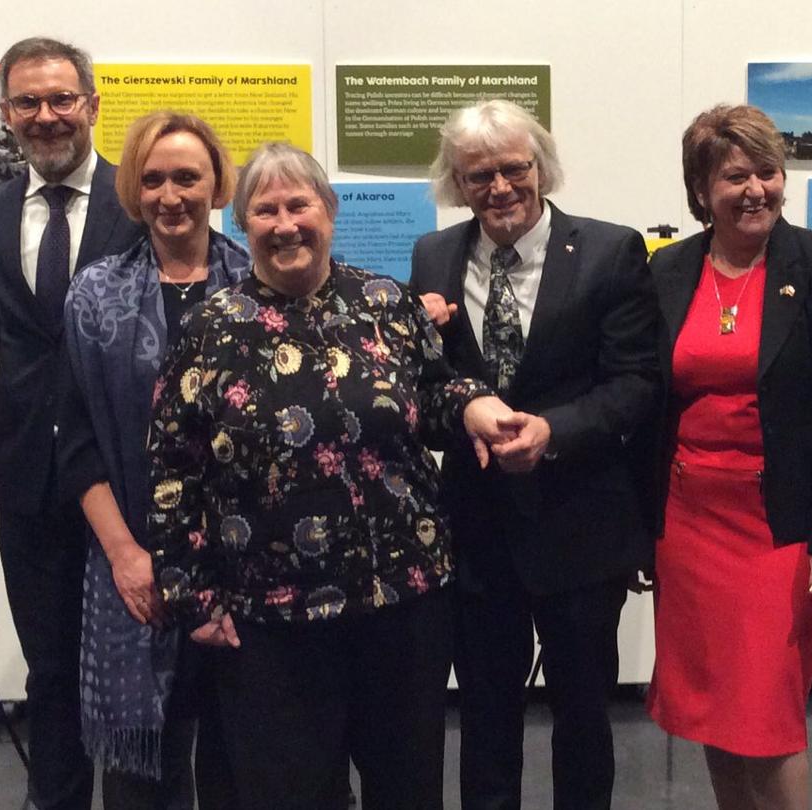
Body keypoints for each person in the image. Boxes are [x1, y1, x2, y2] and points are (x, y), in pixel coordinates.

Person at [147, 142, 526, 810]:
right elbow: (172, 469)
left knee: (407, 792)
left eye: (299, 205)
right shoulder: (209, 329)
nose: (285, 224)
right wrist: (192, 597)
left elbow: (433, 392)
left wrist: (473, 403)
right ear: (243, 223)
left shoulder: (387, 303)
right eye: (266, 210)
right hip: (271, 621)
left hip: (403, 606)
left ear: (328, 209)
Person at [409, 99, 660, 810]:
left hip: (580, 525)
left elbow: (638, 383)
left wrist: (554, 432)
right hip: (478, 531)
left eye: (513, 169)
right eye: (477, 175)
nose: (499, 188)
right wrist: (461, 406)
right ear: (457, 183)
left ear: (541, 168)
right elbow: (425, 386)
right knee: (485, 717)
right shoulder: (434, 255)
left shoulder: (610, 250)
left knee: (583, 717)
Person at [645, 103, 812, 810]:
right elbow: (650, 404)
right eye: (735, 176)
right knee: (712, 705)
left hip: (779, 527)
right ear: (701, 189)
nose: (756, 189)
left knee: (767, 711)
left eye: (768, 172)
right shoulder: (669, 269)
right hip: (688, 524)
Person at [0, 36, 143, 810]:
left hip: (126, 472)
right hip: (28, 474)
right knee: (51, 667)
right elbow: (7, 337)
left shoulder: (140, 201)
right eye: (28, 102)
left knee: (136, 657)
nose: (46, 115)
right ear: (7, 114)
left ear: (92, 105)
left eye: (62, 98)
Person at [59, 111, 249, 807]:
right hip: (133, 560)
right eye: (154, 179)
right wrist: (124, 555)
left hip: (245, 570)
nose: (171, 196)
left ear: (217, 184)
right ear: (134, 191)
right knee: (141, 779)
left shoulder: (260, 283)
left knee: (240, 762)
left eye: (187, 178)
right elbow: (77, 439)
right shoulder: (93, 293)